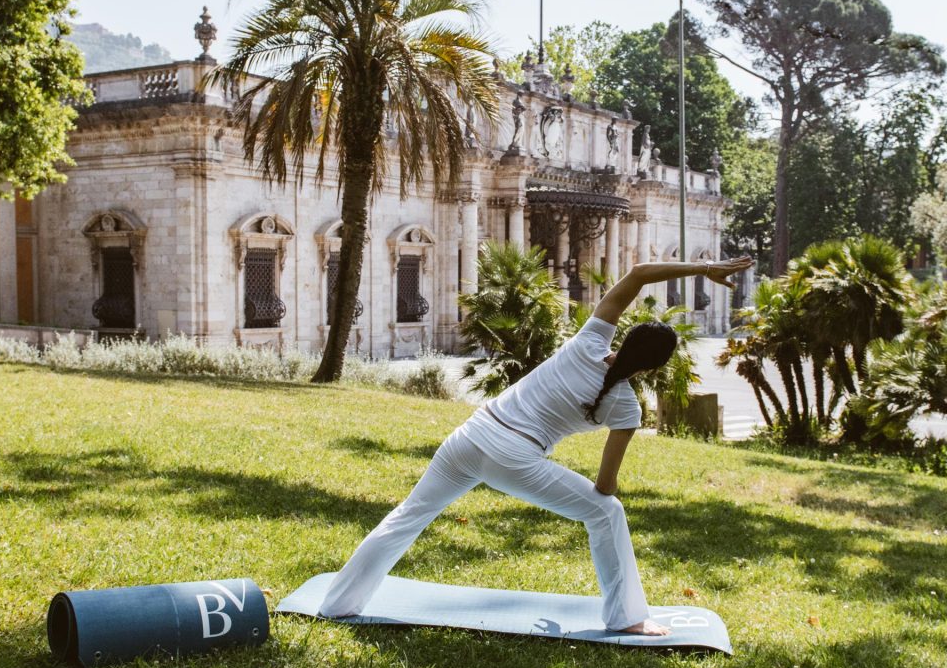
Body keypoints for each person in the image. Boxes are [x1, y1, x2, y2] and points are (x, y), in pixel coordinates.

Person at [319, 255, 755, 635]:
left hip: (470, 434)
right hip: (515, 457)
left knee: (408, 517)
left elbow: (638, 274)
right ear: (656, 366)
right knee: (608, 512)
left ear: (624, 338)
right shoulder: (625, 407)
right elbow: (604, 487)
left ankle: (338, 604)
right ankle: (626, 617)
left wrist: (704, 268)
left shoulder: (588, 341)